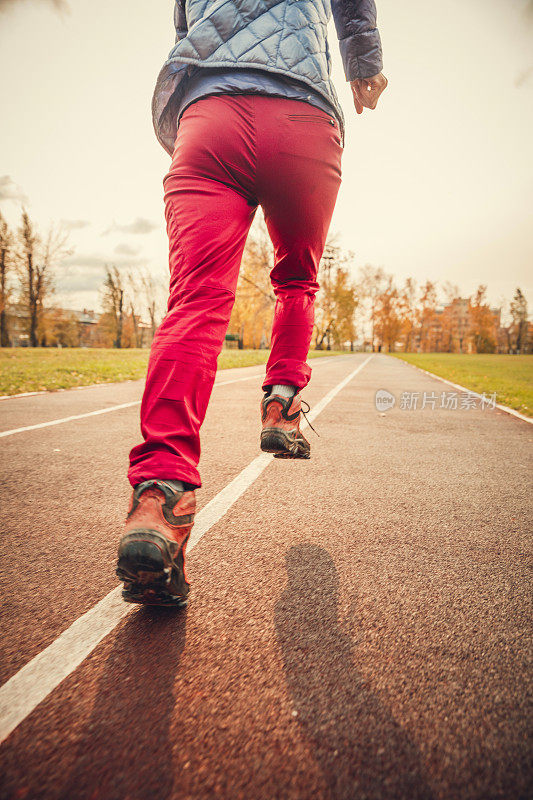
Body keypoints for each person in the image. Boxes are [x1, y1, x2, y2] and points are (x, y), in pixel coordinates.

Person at [116, 0, 387, 605]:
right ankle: (281, 408)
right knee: (296, 281)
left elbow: (185, 26)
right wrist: (364, 63)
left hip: (210, 116)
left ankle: (159, 496)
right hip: (304, 118)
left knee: (195, 302)